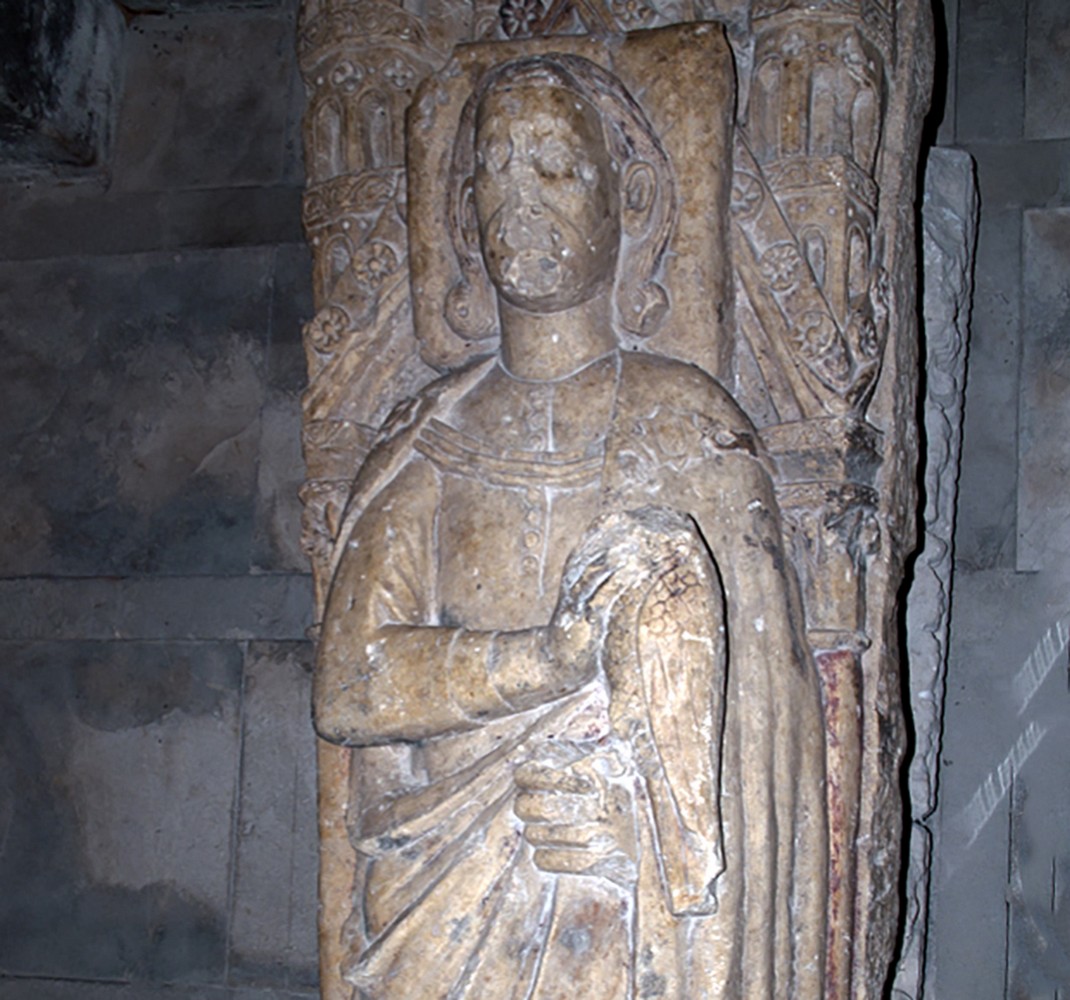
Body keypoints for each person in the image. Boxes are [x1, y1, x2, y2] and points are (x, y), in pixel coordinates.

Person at [315, 53, 828, 998]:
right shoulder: (429, 440)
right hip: (441, 911)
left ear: (627, 195)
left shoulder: (691, 427)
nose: (519, 197)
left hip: (624, 924)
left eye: (553, 164)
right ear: (462, 212)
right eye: (496, 168)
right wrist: (547, 660)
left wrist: (656, 831)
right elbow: (350, 684)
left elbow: (768, 736)